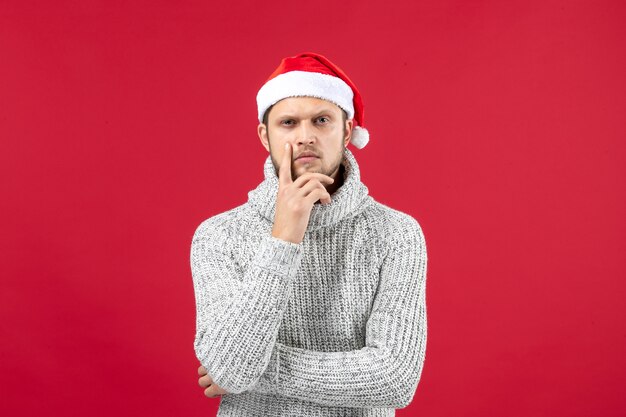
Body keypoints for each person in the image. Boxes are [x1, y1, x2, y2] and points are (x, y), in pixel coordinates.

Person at [190, 52, 428, 416]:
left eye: (321, 120)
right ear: (265, 136)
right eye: (288, 122)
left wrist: (254, 368)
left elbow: (394, 380)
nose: (305, 137)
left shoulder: (395, 234)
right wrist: (283, 238)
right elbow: (227, 370)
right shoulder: (219, 236)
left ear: (346, 131)